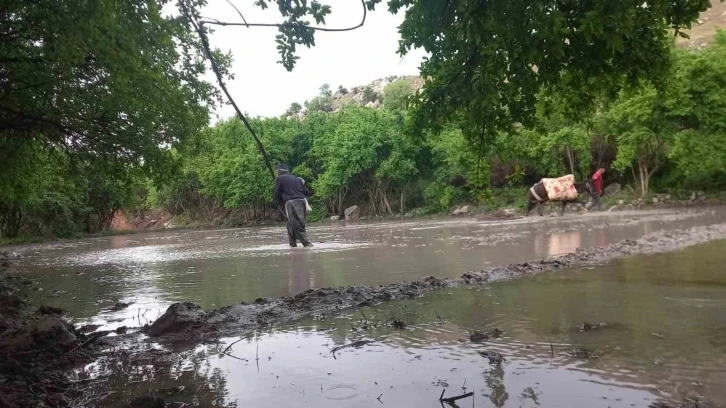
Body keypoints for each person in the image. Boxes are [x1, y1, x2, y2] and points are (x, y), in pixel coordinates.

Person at [273, 164, 313, 247]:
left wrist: (280, 200)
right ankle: (293, 245)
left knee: (295, 223)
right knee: (290, 225)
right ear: (287, 171)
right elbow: (306, 192)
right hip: (302, 202)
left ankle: (307, 244)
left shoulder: (279, 179)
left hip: (291, 203)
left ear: (278, 172)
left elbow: (276, 194)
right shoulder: (296, 179)